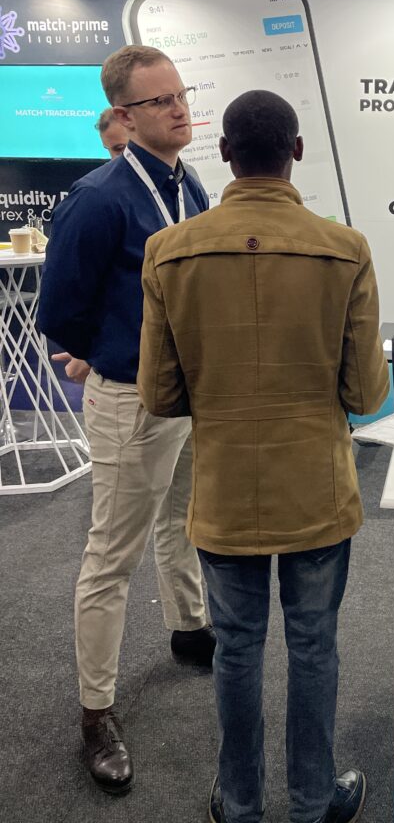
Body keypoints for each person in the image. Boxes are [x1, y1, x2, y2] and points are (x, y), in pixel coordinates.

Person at [137, 90, 390, 823]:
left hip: (222, 489)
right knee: (313, 645)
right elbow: (365, 390)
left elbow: (159, 394)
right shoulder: (345, 249)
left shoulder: (168, 251)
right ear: (297, 151)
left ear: (223, 154)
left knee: (238, 648)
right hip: (317, 488)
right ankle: (313, 801)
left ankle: (241, 802)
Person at [38, 45, 216, 796]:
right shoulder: (99, 197)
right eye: (160, 100)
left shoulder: (188, 181)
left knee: (183, 519)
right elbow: (59, 310)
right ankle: (95, 712)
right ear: (125, 115)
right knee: (112, 554)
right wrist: (114, 355)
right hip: (132, 399)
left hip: (191, 394)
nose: (179, 109)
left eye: (180, 94)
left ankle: (190, 628)